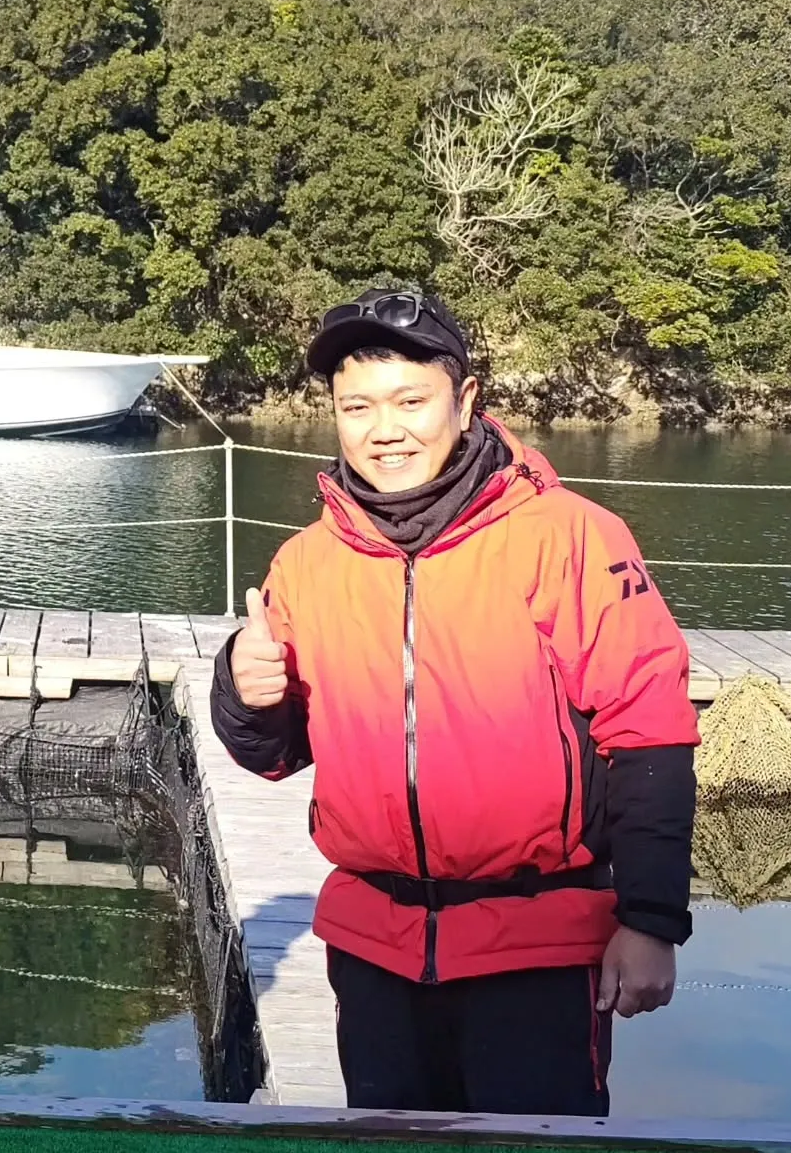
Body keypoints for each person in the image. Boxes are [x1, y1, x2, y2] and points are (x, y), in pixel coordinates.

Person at [211, 288, 698, 1117]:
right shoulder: (305, 561)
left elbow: (650, 731)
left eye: (411, 400)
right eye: (356, 406)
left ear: (465, 401)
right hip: (373, 948)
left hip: (536, 948)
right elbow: (273, 753)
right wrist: (243, 690)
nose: (383, 428)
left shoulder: (571, 536)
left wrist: (651, 920)